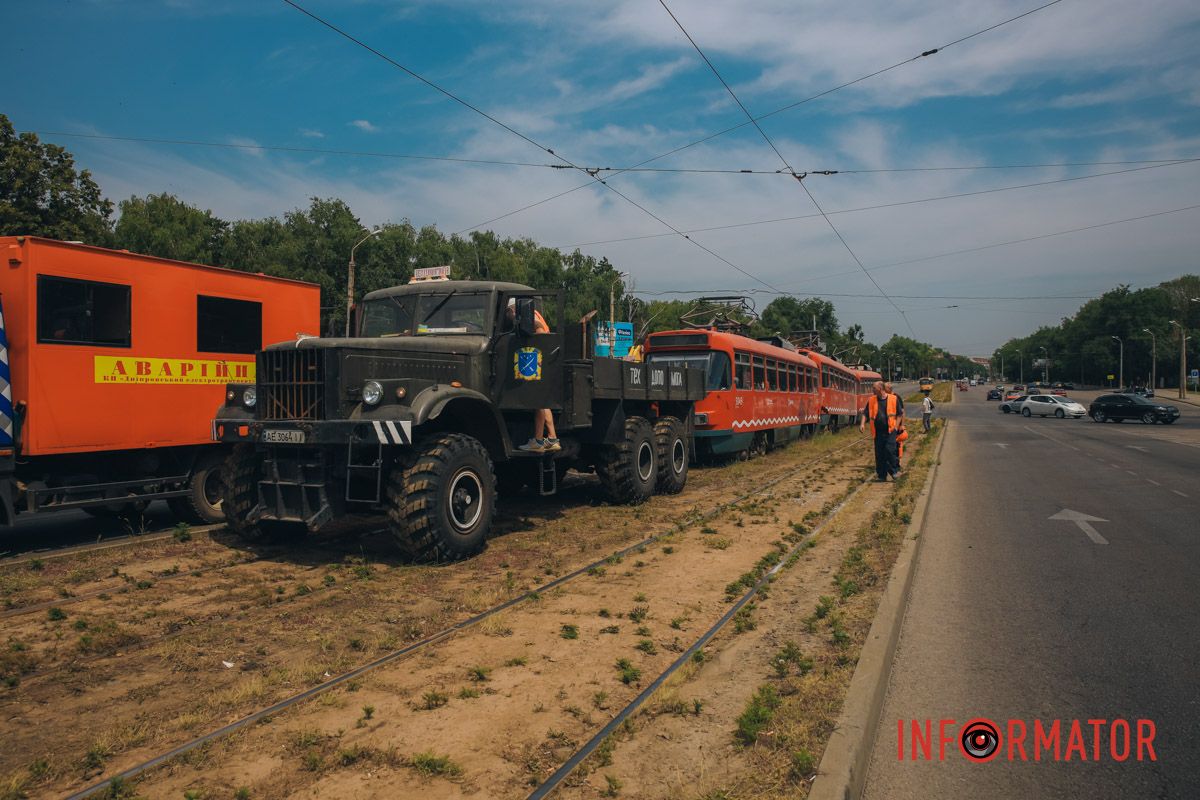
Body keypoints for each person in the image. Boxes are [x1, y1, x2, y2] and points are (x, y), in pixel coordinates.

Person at [506, 300, 561, 453]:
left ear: (512, 310)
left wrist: (536, 344)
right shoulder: (533, 314)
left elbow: (540, 330)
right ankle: (552, 438)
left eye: (508, 313)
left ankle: (537, 440)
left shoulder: (527, 316)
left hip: (539, 361)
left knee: (538, 401)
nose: (508, 316)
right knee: (543, 402)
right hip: (544, 361)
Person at [859, 380, 902, 481]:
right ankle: (882, 475)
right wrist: (862, 424)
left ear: (880, 389)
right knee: (879, 454)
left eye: (874, 388)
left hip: (890, 430)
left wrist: (896, 426)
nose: (872, 390)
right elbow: (865, 413)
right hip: (877, 432)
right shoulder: (871, 400)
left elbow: (900, 414)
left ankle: (894, 471)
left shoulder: (893, 399)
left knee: (890, 451)